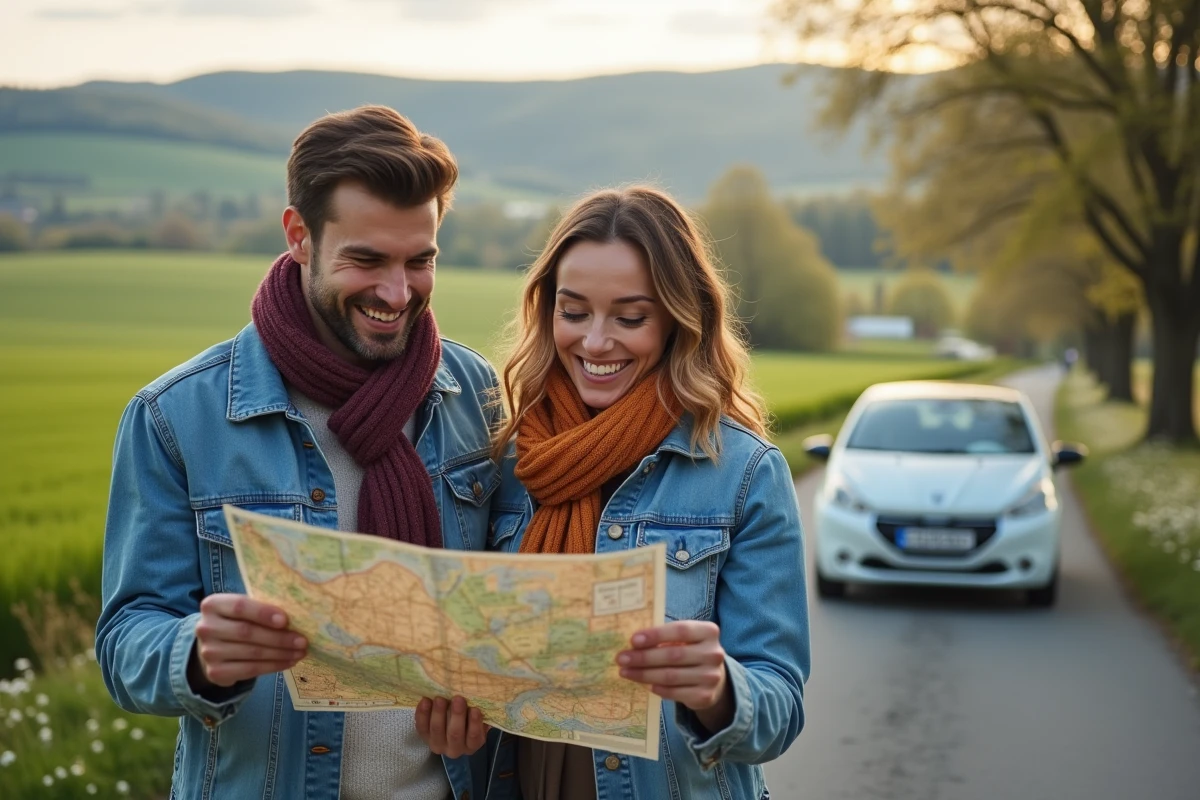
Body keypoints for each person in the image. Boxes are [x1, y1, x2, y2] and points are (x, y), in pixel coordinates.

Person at [96, 106, 524, 800]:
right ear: (299, 236)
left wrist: (493, 698)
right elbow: (125, 643)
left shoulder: (477, 398)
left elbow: (511, 606)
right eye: (366, 260)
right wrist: (199, 654)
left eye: (420, 262)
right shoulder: (177, 417)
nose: (396, 292)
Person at [480, 186, 811, 798]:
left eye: (630, 317)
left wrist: (718, 689)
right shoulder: (506, 461)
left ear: (679, 320)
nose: (596, 342)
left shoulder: (742, 471)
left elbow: (780, 707)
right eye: (574, 312)